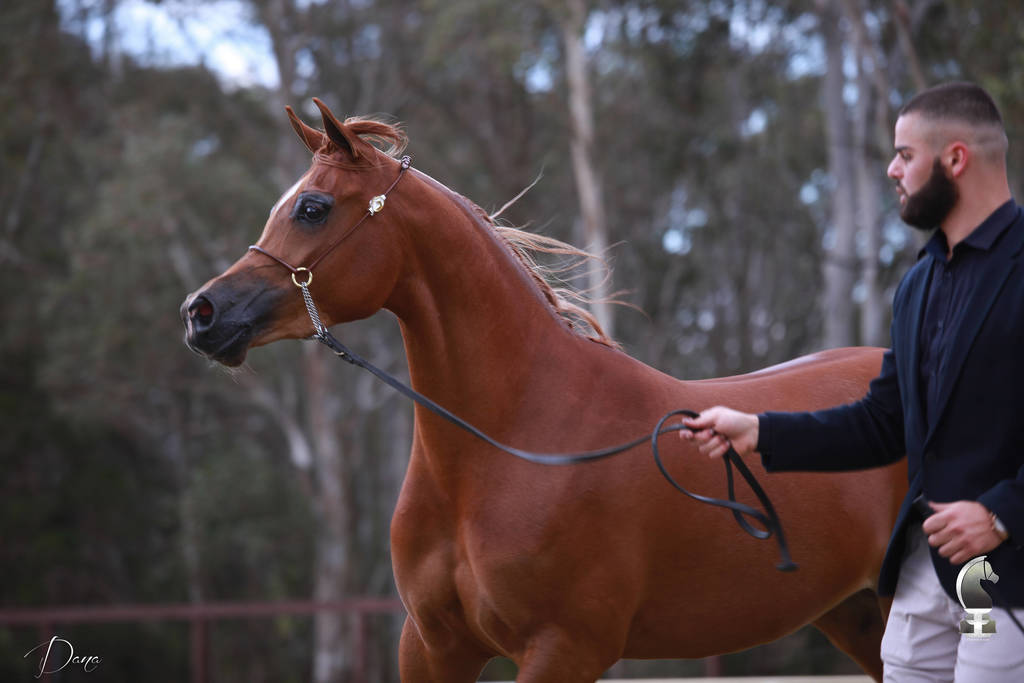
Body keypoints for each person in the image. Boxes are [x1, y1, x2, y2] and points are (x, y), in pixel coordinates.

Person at [682, 81, 1024, 682]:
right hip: (922, 573)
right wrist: (758, 431)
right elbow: (880, 423)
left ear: (956, 159)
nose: (893, 170)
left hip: (998, 578)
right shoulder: (919, 284)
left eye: (904, 154)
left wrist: (999, 514)